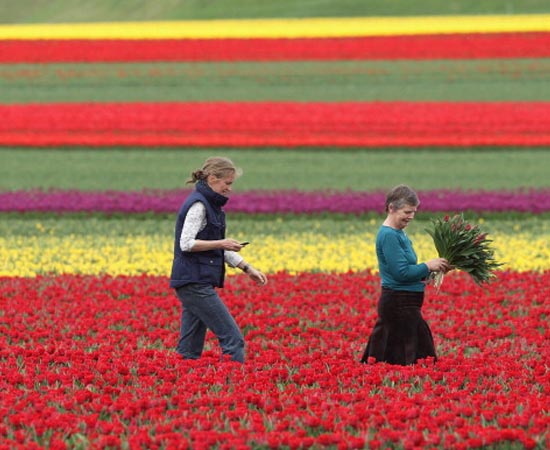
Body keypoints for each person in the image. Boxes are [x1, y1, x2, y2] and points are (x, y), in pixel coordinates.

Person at [170, 156, 267, 363]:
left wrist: (247, 268)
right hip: (194, 282)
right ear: (213, 179)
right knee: (233, 340)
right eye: (227, 183)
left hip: (195, 280)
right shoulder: (199, 206)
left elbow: (215, 245)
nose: (230, 189)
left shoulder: (211, 205)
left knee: (189, 350)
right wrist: (221, 243)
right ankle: (232, 387)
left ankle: (183, 384)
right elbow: (186, 243)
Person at [360, 184, 451, 365]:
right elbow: (401, 273)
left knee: (408, 356)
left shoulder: (399, 233)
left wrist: (436, 269)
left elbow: (410, 271)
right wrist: (427, 265)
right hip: (398, 304)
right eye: (407, 212)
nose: (411, 217)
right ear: (392, 208)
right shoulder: (389, 236)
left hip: (406, 303)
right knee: (407, 358)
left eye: (413, 212)